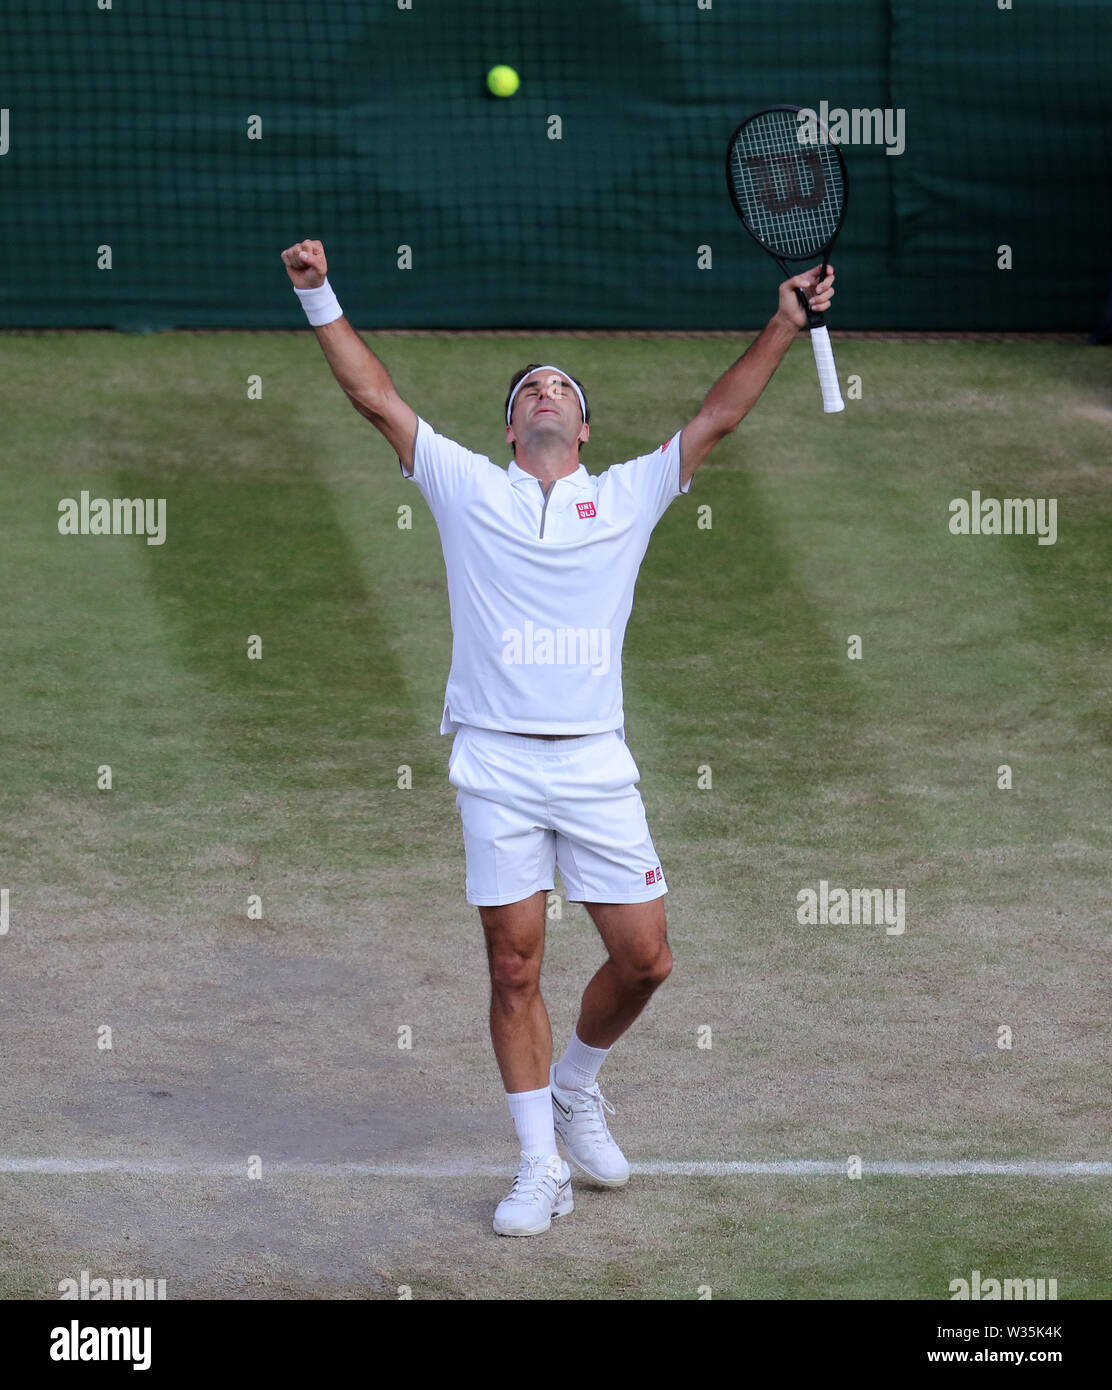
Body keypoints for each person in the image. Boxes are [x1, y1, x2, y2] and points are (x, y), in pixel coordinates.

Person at [280, 239, 834, 1235]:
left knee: (645, 959)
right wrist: (320, 294)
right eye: (527, 386)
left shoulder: (623, 496)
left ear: (581, 426)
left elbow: (717, 415)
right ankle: (536, 1165)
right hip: (492, 760)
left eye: (559, 388)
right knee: (514, 964)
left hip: (593, 762)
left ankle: (576, 1083)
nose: (542, 391)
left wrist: (785, 323)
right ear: (509, 426)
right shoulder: (462, 486)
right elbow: (374, 397)